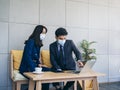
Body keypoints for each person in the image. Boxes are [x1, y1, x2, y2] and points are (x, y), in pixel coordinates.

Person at [19, 25, 51, 90]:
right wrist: (34, 69)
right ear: (38, 33)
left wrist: (39, 64)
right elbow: (27, 57)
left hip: (35, 66)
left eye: (45, 33)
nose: (44, 35)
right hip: (26, 68)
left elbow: (36, 57)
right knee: (42, 76)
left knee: (49, 72)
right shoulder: (31, 42)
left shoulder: (38, 43)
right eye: (43, 33)